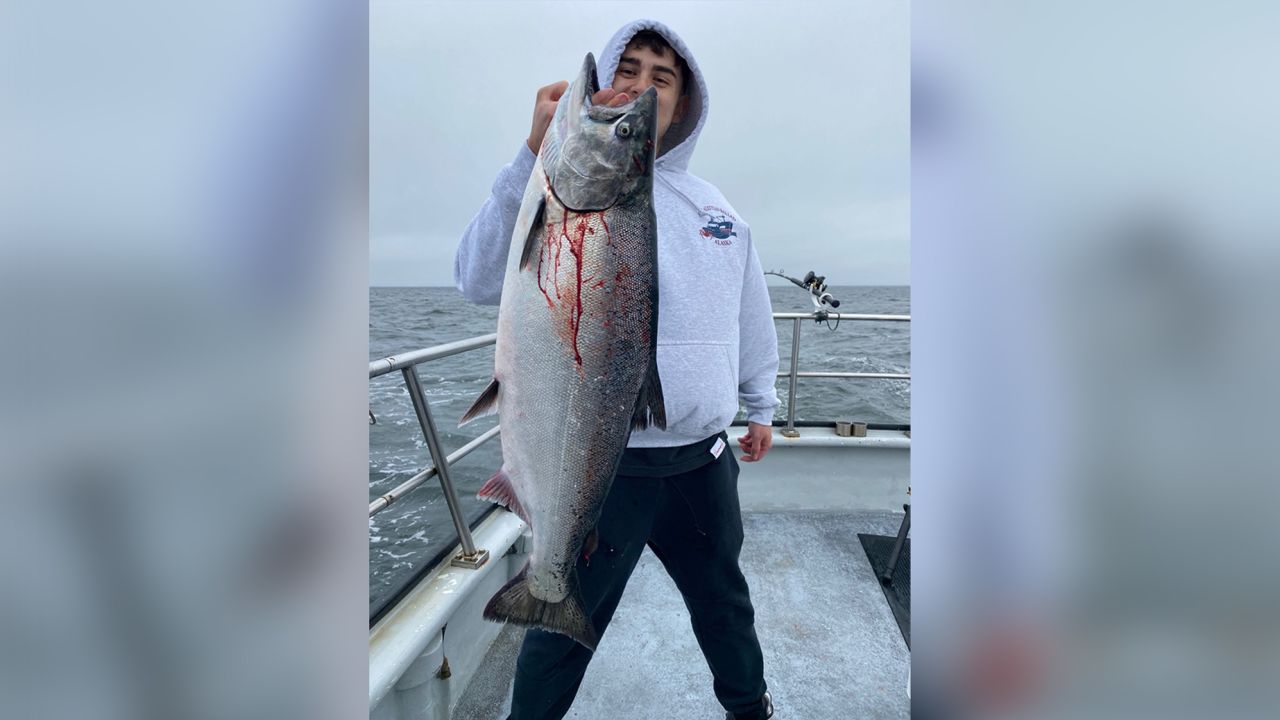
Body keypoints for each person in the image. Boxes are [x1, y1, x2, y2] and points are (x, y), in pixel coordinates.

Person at [453, 19, 779, 720]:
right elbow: (477, 278)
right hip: (607, 466)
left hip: (701, 460)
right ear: (601, 81)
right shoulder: (550, 187)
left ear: (687, 105)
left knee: (724, 602)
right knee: (562, 622)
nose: (640, 87)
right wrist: (530, 155)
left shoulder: (719, 213)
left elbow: (750, 315)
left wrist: (761, 404)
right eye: (626, 69)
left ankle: (750, 708)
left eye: (662, 78)